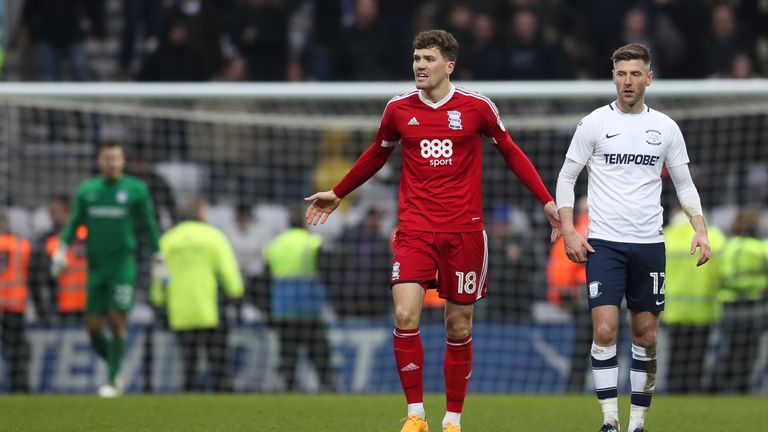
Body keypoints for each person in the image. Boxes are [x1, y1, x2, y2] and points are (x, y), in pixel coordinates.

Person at [305, 29, 560, 432]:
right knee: (406, 313)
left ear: (449, 65)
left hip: (465, 233)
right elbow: (376, 154)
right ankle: (415, 414)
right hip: (415, 231)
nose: (419, 66)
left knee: (458, 325)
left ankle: (453, 420)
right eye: (416, 58)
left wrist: (546, 200)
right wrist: (339, 192)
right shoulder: (398, 109)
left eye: (428, 59)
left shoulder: (477, 108)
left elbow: (510, 151)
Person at [555, 43, 711, 432]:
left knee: (646, 335)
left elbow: (684, 185)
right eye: (621, 73)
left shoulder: (666, 128)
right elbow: (566, 178)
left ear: (648, 78)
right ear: (613, 76)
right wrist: (570, 229)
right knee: (605, 330)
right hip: (604, 243)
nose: (628, 81)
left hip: (649, 245)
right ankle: (609, 420)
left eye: (635, 73)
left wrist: (701, 230)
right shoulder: (593, 123)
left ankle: (637, 422)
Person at [51, 142, 163, 397]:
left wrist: (159, 257)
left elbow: (149, 224)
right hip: (95, 267)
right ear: (99, 161)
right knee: (92, 328)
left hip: (122, 265)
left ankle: (112, 380)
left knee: (116, 320)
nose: (112, 163)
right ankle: (116, 365)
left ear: (123, 162)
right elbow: (73, 223)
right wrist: (61, 250)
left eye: (117, 158)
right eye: (108, 158)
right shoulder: (88, 190)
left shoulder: (136, 190)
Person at [151, 197, 244, 392]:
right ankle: (224, 408)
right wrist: (235, 294)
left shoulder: (168, 239)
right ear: (202, 213)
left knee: (189, 365)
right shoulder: (213, 236)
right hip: (210, 309)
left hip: (180, 312)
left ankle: (189, 409)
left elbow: (159, 276)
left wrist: (158, 300)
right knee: (218, 365)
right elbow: (229, 272)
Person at [263, 206, 335, 393]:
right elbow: (327, 271)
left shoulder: (275, 245)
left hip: (283, 311)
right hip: (308, 309)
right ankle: (328, 388)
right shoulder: (312, 242)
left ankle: (289, 390)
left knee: (288, 356)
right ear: (305, 223)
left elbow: (265, 277)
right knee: (320, 354)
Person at [662, 206, 726, 394]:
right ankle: (694, 393)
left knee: (676, 358)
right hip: (704, 310)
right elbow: (724, 272)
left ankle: (674, 396)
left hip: (673, 311)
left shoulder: (666, 236)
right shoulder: (714, 237)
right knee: (697, 359)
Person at [709, 208, 768, 394]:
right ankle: (742, 387)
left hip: (729, 305)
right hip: (753, 304)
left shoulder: (728, 246)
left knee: (729, 347)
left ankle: (715, 386)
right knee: (749, 351)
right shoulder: (761, 248)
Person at [547, 196, 590, 392]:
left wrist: (561, 297)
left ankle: (575, 387)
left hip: (580, 298)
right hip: (600, 295)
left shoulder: (570, 234)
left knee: (581, 349)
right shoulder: (599, 231)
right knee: (607, 346)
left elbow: (561, 272)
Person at [29, 195, 88, 325]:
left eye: (55, 212)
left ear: (68, 211)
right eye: (50, 212)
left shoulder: (87, 234)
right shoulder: (48, 241)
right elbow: (45, 276)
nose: (52, 216)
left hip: (90, 305)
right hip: (63, 307)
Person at [0, 212, 31, 393]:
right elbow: (30, 274)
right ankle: (20, 389)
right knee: (18, 352)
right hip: (14, 306)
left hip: (11, 306)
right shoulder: (21, 245)